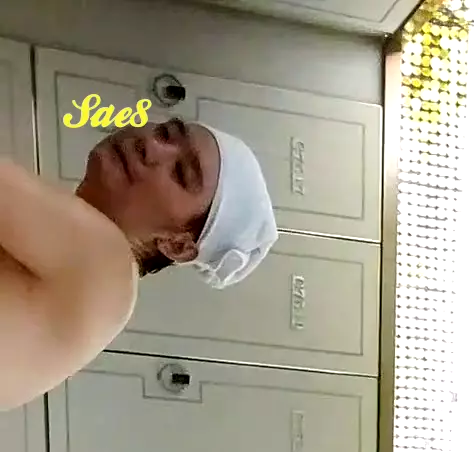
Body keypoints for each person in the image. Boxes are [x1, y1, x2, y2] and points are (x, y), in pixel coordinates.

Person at [0, 116, 277, 411]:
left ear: (178, 245)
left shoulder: (108, 267)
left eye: (180, 173)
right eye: (165, 133)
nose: (151, 146)